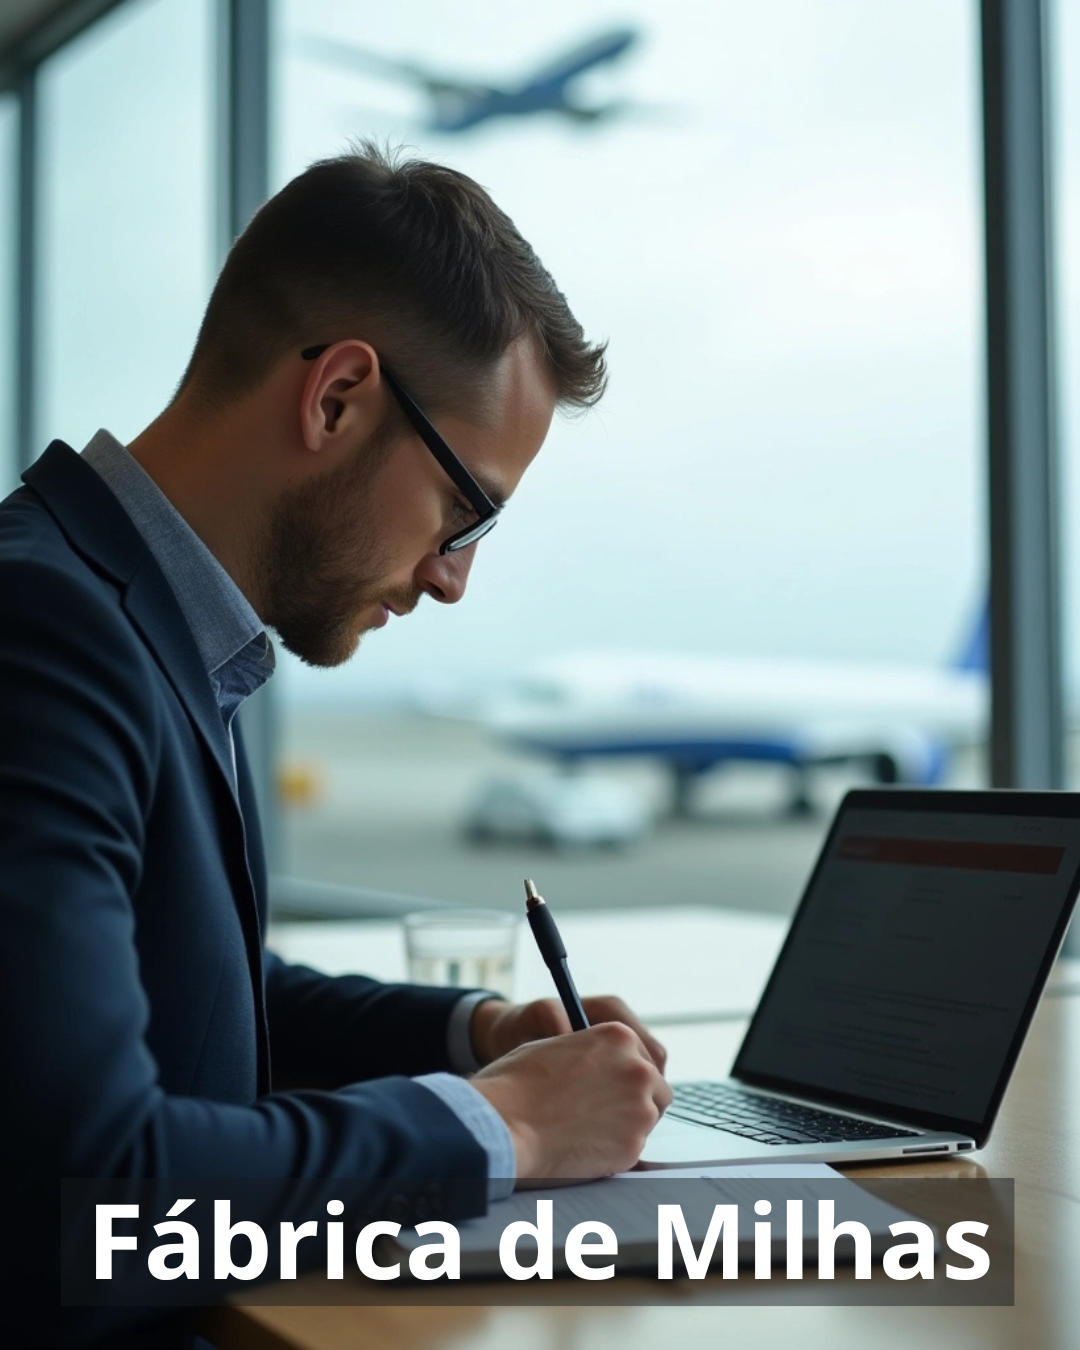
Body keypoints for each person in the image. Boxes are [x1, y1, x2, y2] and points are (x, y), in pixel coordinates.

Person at [0, 144, 670, 1346]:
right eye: (468, 510)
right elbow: (96, 1185)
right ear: (337, 398)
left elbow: (181, 993)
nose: (454, 578)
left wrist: (475, 1041)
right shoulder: (45, 633)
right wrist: (505, 1130)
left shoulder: (132, 618)